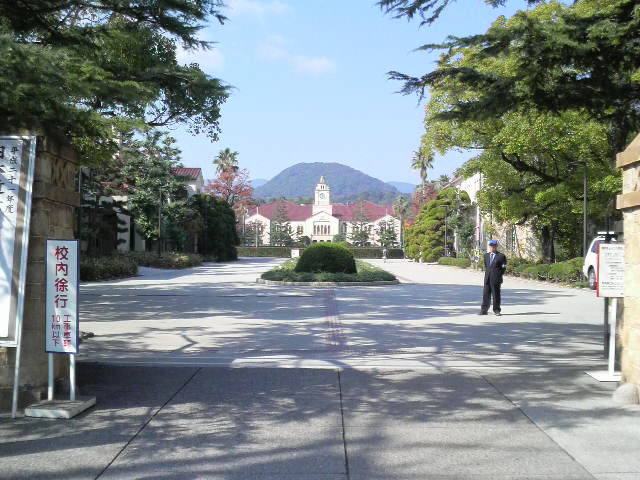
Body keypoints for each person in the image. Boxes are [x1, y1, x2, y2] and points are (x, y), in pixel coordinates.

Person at [479, 240, 507, 316]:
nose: (492, 247)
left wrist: (498, 274)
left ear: (496, 246)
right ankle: (484, 310)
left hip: (496, 278)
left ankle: (497, 310)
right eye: (491, 246)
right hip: (487, 278)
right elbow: (486, 266)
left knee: (496, 295)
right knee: (485, 294)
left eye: (494, 246)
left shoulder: (501, 256)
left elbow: (503, 267)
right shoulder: (486, 255)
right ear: (489, 246)